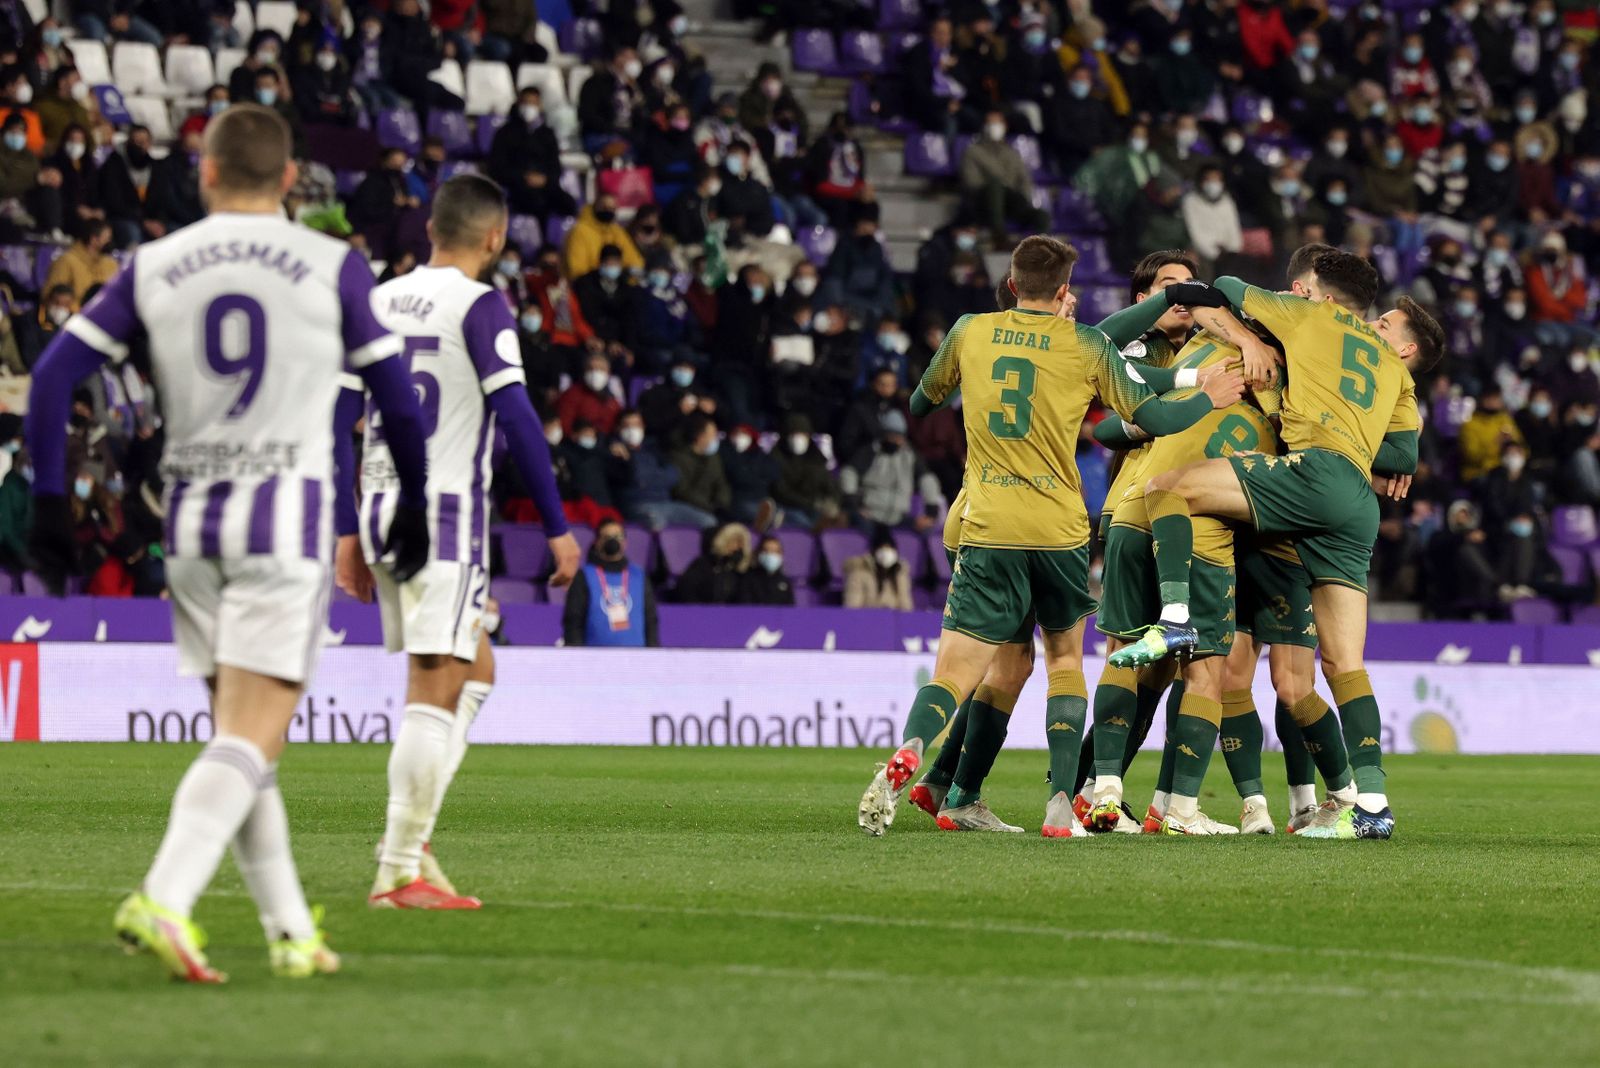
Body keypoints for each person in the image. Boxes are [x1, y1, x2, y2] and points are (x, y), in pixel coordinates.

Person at [24, 104, 431, 982]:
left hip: (191, 527)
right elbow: (398, 403)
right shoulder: (332, 263)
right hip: (282, 524)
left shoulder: (155, 262)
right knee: (251, 737)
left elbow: (53, 377)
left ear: (205, 173)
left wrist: (51, 502)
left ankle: (293, 933)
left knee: (243, 741)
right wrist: (415, 504)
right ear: (289, 180)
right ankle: (164, 897)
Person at [858, 235, 1240, 837]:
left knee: (969, 671)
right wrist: (1208, 396)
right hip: (1057, 528)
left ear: (1012, 284)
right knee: (1062, 660)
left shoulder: (970, 330)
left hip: (983, 521)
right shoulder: (1085, 345)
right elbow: (1156, 416)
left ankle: (920, 757)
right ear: (1064, 290)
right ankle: (1061, 804)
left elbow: (921, 402)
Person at [1116, 251, 1446, 841]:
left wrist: (1249, 341)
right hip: (1357, 507)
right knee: (1345, 665)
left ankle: (1175, 618)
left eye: (1307, 285)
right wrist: (1362, 434)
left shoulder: (1310, 317)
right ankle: (1370, 805)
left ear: (1325, 294)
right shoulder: (1398, 378)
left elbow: (1222, 284)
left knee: (1166, 488)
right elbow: (1403, 457)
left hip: (1308, 476)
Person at [337, 174, 580, 910]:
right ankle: (398, 868)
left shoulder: (377, 299)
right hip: (440, 516)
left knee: (477, 668)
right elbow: (519, 418)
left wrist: (347, 530)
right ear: (495, 238)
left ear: (430, 230)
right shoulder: (481, 305)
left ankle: (414, 839)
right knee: (433, 681)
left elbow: (336, 420)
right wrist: (557, 528)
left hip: (379, 505)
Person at [958, 111, 1049, 248]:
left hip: (1010, 202)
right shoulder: (973, 152)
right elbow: (971, 182)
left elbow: (1024, 180)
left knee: (1042, 215)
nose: (994, 126)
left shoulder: (1012, 153)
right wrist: (996, 185)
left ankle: (1039, 249)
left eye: (998, 123)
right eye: (990, 123)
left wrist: (1021, 198)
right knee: (996, 187)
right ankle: (999, 236)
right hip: (984, 202)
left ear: (1005, 126)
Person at [562, 519, 659, 647]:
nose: (613, 541)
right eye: (607, 537)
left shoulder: (638, 576)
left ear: (625, 542)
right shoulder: (584, 576)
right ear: (597, 542)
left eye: (618, 537)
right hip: (595, 655)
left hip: (636, 655)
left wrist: (653, 651)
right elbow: (574, 621)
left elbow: (650, 620)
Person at [488, 87, 574, 221]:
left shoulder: (547, 134)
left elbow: (555, 166)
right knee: (536, 203)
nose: (529, 108)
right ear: (518, 104)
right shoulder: (505, 133)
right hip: (517, 186)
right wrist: (523, 177)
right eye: (526, 103)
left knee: (569, 205)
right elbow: (497, 167)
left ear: (540, 105)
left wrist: (545, 179)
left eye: (533, 103)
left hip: (545, 185)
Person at [564, 193, 643, 280]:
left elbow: (634, 261)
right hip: (589, 284)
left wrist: (627, 281)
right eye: (604, 207)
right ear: (595, 206)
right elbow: (577, 268)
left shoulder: (617, 231)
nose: (608, 210)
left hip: (615, 284)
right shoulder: (580, 231)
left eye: (612, 208)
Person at [669, 413, 730, 524]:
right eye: (712, 434)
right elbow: (681, 491)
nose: (716, 438)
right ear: (700, 436)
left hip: (711, 508)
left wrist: (721, 503)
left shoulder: (713, 458)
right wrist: (708, 506)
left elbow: (721, 483)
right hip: (687, 506)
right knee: (709, 522)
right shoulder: (678, 458)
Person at [44, 219, 117, 309]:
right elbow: (51, 298)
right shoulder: (66, 261)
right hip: (75, 315)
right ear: (94, 239)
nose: (110, 242)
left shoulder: (111, 264)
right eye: (107, 238)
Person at [675, 522, 752, 604]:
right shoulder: (703, 564)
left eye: (741, 543)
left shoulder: (739, 572)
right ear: (723, 541)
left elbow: (744, 601)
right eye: (734, 541)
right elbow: (686, 590)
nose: (737, 547)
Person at [843, 526, 913, 610]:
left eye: (889, 549)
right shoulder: (858, 573)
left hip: (892, 617)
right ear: (873, 551)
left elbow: (906, 608)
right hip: (867, 617)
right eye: (882, 549)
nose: (886, 553)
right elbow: (852, 608)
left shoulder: (900, 575)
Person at [556, 352, 623, 435]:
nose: (595, 373)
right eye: (590, 368)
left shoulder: (612, 399)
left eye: (601, 369)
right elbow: (564, 425)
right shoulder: (571, 395)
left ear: (608, 373)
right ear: (584, 372)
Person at [745, 534, 795, 604]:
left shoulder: (785, 581)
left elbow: (791, 607)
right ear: (759, 553)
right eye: (766, 550)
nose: (771, 555)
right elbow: (744, 606)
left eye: (776, 551)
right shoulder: (748, 579)